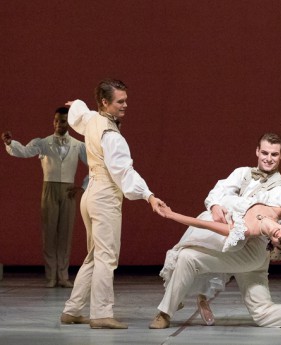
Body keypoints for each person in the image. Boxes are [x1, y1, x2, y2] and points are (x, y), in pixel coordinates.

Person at [150, 133, 281, 330]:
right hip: (248, 251)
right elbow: (219, 193)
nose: (268, 158)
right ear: (257, 151)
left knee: (188, 257)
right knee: (262, 311)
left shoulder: (278, 194)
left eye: (274, 154)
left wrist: (172, 215)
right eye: (265, 153)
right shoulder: (244, 175)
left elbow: (207, 226)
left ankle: (166, 312)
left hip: (251, 252)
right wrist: (214, 206)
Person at [60, 78, 166, 329]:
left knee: (94, 256)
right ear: (105, 103)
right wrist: (148, 195)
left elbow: (80, 114)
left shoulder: (93, 120)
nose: (125, 105)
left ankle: (72, 309)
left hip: (90, 195)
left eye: (126, 100)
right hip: (105, 195)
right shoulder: (111, 135)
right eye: (120, 101)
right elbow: (123, 172)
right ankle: (101, 313)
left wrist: (75, 104)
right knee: (106, 257)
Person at [2, 107, 88, 288]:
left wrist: (83, 187)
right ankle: (50, 276)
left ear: (69, 123)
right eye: (56, 120)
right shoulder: (43, 143)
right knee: (49, 233)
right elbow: (24, 151)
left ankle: (63, 276)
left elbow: (95, 165)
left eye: (62, 121)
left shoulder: (78, 145)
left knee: (65, 234)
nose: (58, 124)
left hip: (68, 191)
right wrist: (10, 143)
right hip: (49, 189)